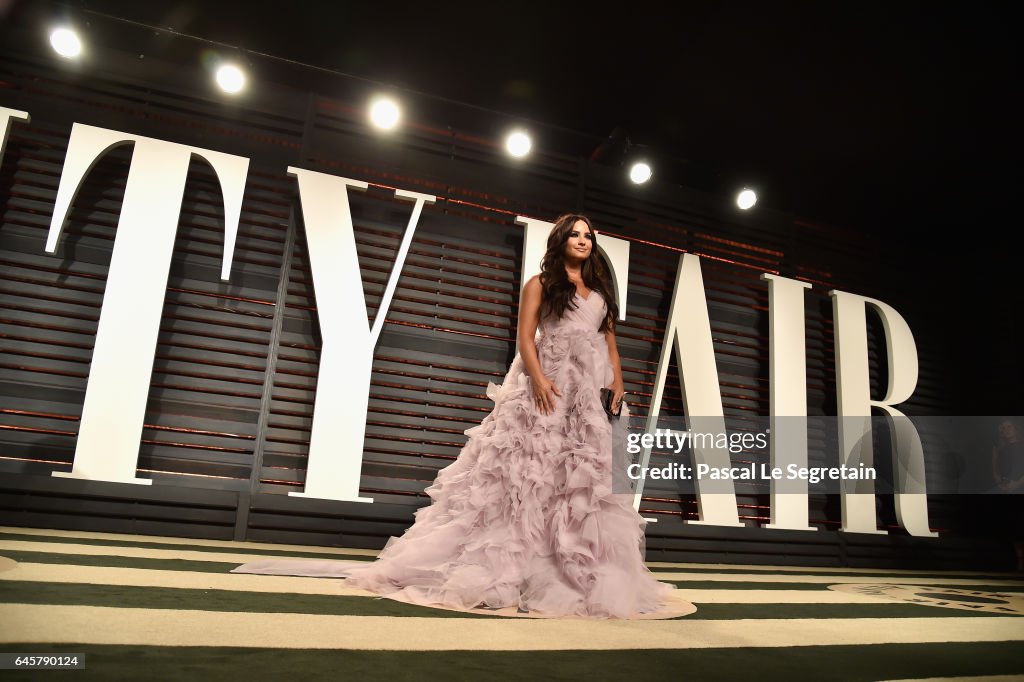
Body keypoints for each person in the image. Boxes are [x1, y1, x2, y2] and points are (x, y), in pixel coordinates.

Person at [235, 214, 678, 617]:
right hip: (550, 386)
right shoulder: (540, 284)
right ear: (560, 240)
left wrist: (618, 383)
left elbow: (610, 344)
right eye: (575, 234)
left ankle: (575, 568)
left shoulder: (599, 294)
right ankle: (514, 568)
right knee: (529, 474)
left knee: (582, 482)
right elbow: (526, 337)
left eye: (588, 235)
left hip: (589, 397)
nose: (583, 240)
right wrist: (540, 380)